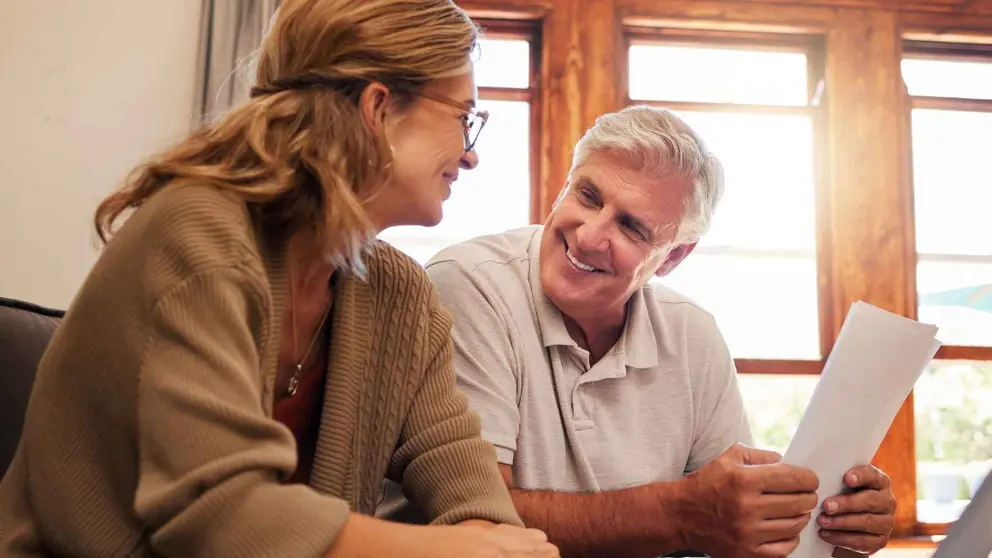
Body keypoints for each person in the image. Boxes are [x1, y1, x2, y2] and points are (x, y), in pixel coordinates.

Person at [0, 1, 561, 557]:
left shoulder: (401, 297)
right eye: (464, 118)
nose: (471, 156)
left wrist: (492, 544)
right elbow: (219, 519)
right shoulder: (198, 235)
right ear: (379, 108)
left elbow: (477, 501)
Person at [379, 106, 896, 557]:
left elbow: (732, 528)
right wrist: (680, 515)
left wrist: (835, 530)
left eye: (631, 227)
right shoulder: (469, 284)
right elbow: (477, 516)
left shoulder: (693, 334)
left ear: (672, 258)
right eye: (587, 196)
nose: (589, 236)